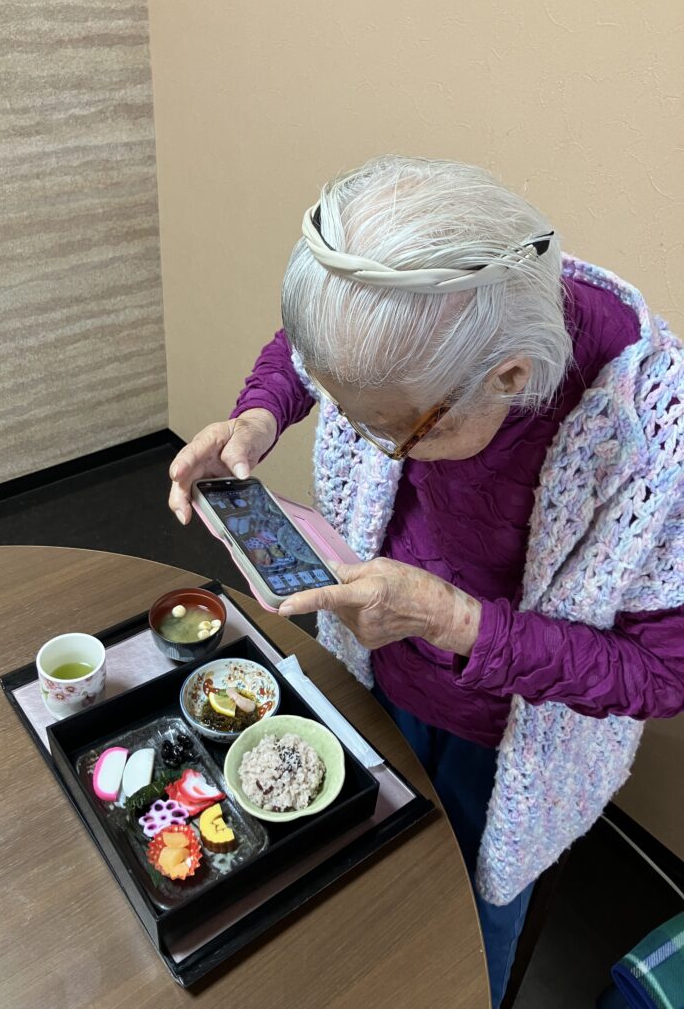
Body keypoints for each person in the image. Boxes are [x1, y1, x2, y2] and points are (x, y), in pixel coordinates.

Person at [168, 156, 684, 1007]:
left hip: (513, 741)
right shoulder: (420, 318)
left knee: (462, 940)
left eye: (392, 431)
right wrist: (259, 414)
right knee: (361, 873)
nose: (367, 443)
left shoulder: (652, 433)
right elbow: (310, 356)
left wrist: (455, 622)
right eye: (348, 415)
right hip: (375, 665)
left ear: (508, 379)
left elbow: (662, 674)